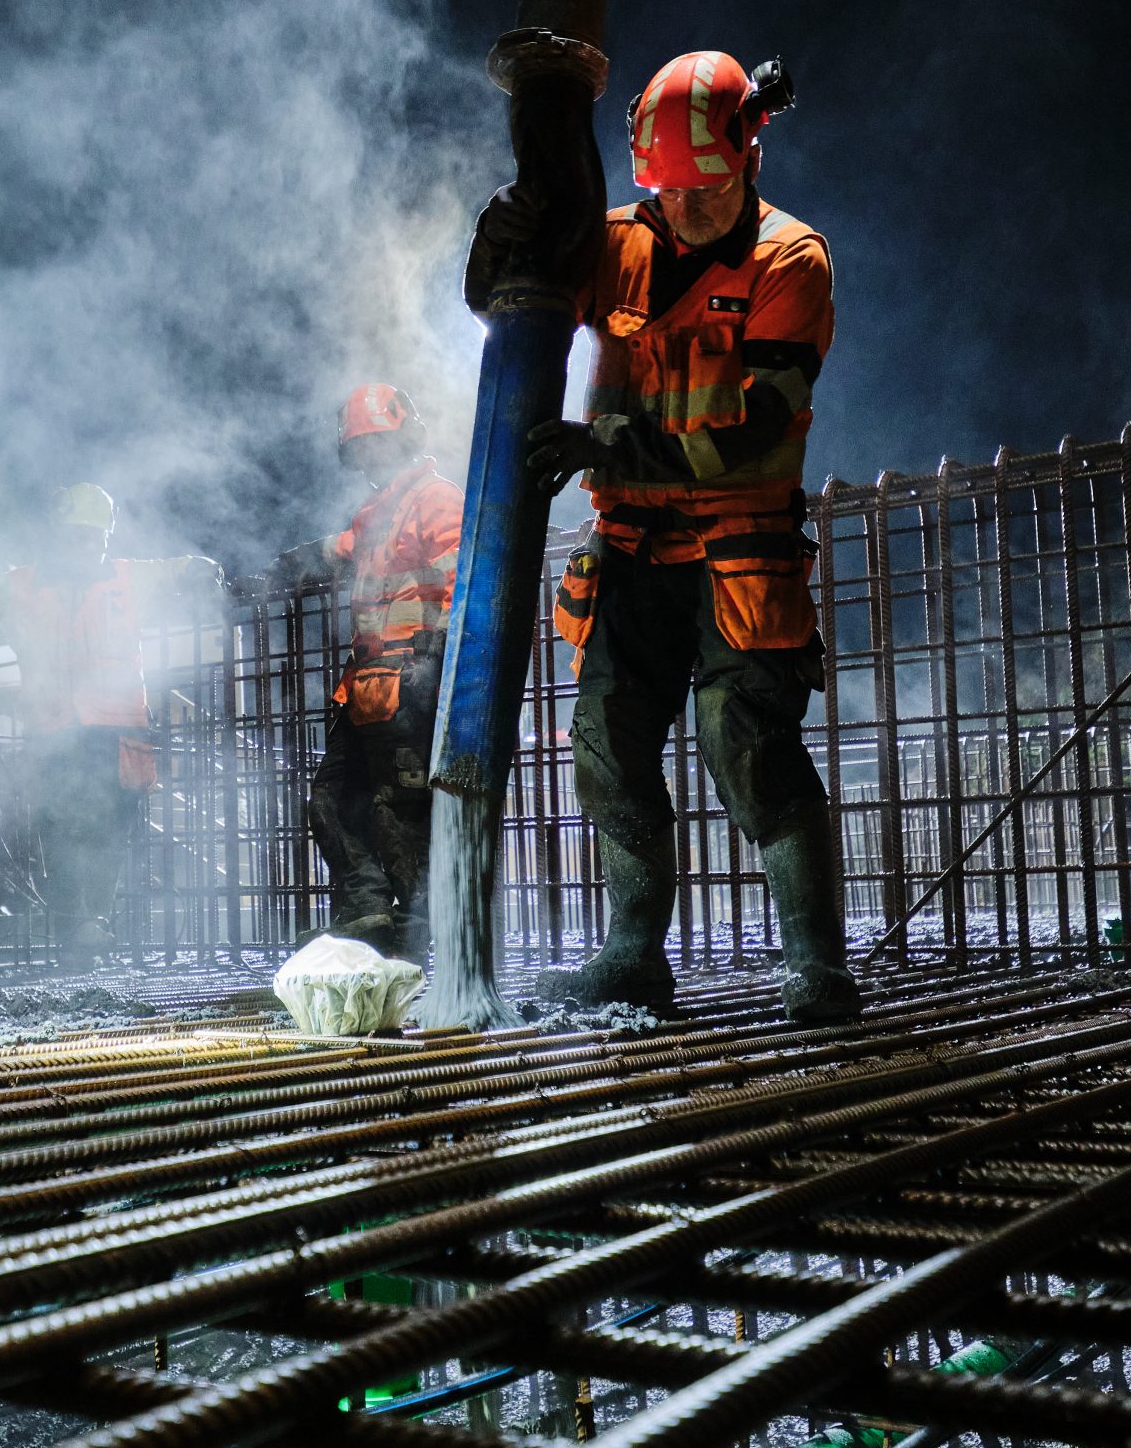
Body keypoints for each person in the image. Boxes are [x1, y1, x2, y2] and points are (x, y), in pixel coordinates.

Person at [468, 49, 861, 1023]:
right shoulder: (617, 244)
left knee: (748, 747)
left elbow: (757, 431)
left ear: (748, 155)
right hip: (631, 549)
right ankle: (631, 958)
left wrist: (605, 442)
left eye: (703, 187)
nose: (682, 207)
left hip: (737, 547)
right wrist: (497, 238)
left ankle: (815, 969)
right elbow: (508, 299)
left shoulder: (789, 263)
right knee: (605, 748)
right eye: (665, 188)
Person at [0, 484, 224, 961]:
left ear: (106, 538)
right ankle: (76, 928)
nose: (85, 546)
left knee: (109, 832)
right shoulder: (20, 586)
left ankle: (91, 925)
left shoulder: (126, 579)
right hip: (56, 733)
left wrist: (202, 569)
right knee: (59, 829)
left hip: (118, 733)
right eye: (76, 536)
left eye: (94, 537)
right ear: (56, 536)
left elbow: (178, 571)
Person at [270, 385, 464, 958]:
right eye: (363, 450)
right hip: (369, 685)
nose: (371, 458)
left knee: (398, 809)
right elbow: (348, 545)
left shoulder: (436, 498)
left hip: (412, 681)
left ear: (405, 439)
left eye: (379, 444)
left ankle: (421, 934)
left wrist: (441, 658)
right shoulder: (379, 511)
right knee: (330, 799)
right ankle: (369, 909)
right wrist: (299, 558)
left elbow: (464, 578)